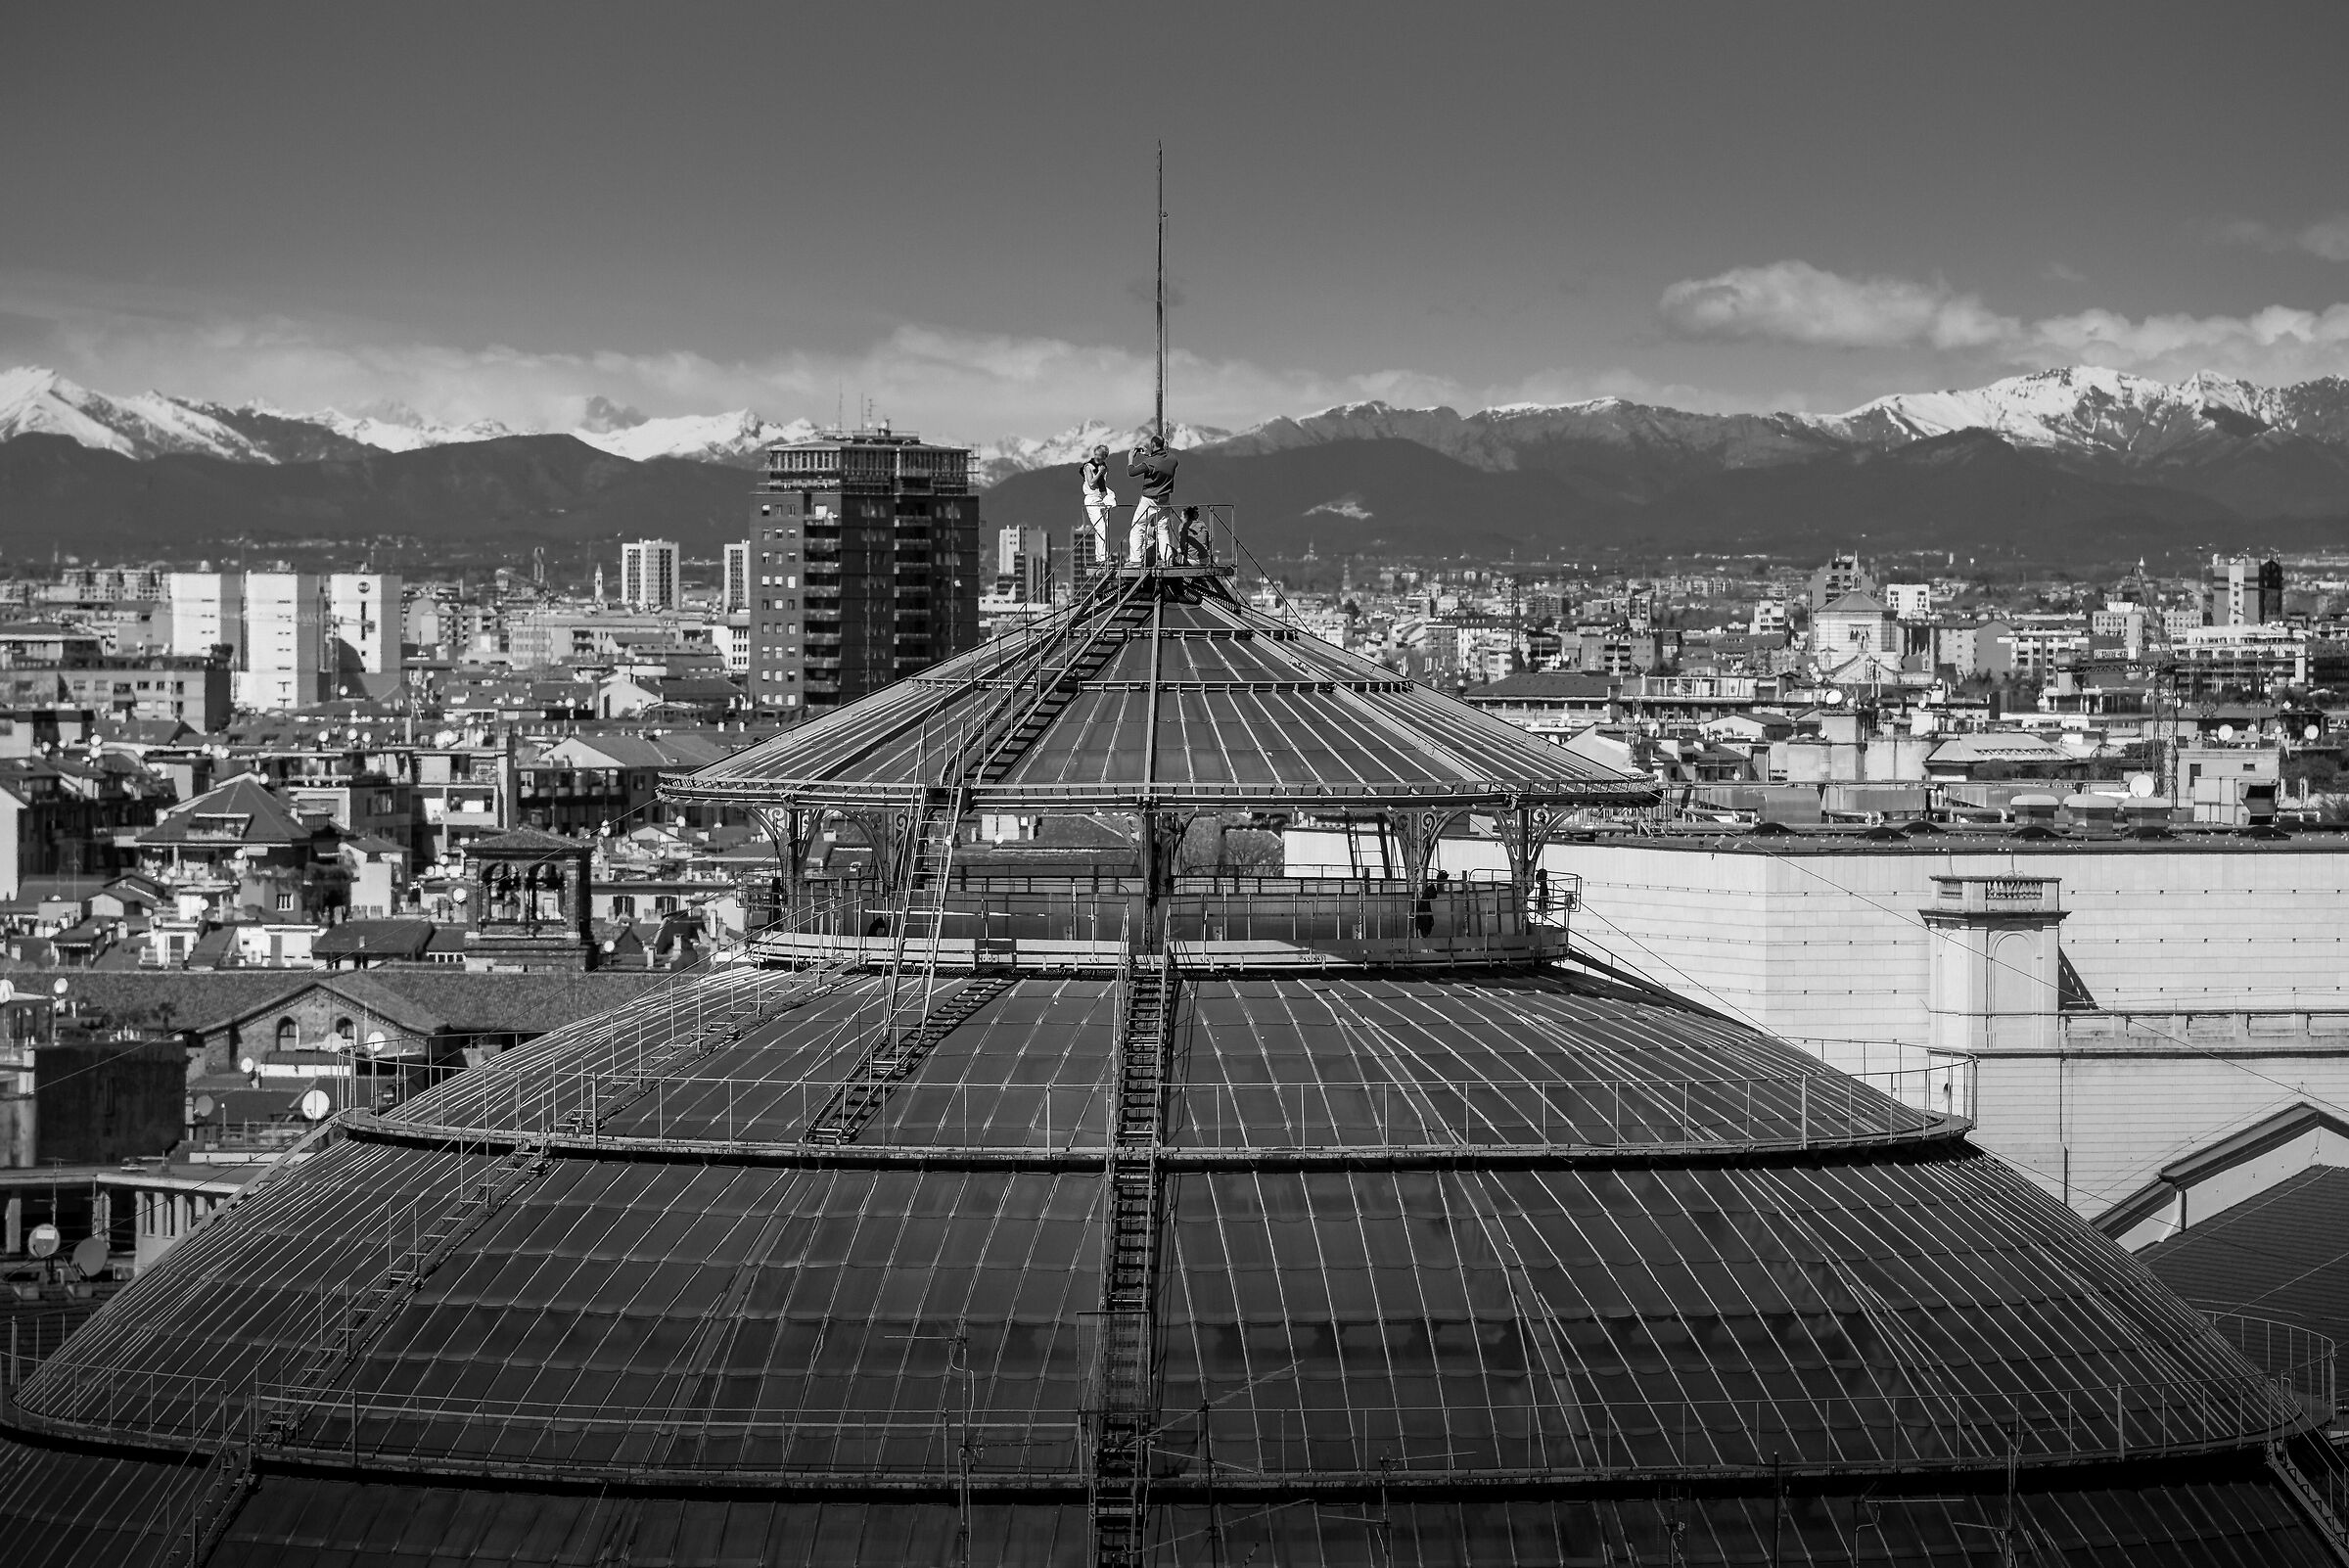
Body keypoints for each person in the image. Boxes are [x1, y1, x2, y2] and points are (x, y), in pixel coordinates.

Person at [1127, 434, 1178, 565]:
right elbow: (1161, 463)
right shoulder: (1173, 459)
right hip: (1165, 499)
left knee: (1138, 526)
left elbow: (1131, 472)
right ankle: (1168, 559)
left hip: (1150, 499)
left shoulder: (1150, 463)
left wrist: (1130, 459)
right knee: (1162, 529)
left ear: (1153, 445)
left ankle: (1135, 559)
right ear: (1164, 445)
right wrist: (1150, 455)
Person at [1079, 443, 1116, 575]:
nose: (1098, 459)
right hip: (1091, 498)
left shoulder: (1104, 467)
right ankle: (1101, 558)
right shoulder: (1088, 466)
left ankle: (1102, 555)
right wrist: (1100, 472)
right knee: (1100, 527)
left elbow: (1102, 485)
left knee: (1104, 527)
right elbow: (1091, 483)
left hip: (1100, 498)